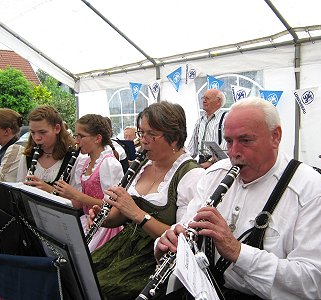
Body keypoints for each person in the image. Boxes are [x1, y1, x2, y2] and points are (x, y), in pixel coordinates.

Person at [156, 97, 321, 299]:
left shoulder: (310, 191)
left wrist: (238, 252)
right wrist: (169, 242)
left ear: (275, 137)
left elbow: (313, 283)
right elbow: (184, 226)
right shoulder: (214, 175)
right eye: (229, 141)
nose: (233, 153)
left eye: (245, 141)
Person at [88, 101, 205, 299]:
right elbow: (121, 216)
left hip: (155, 260)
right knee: (79, 274)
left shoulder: (192, 175)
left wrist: (137, 213)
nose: (143, 141)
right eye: (142, 133)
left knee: (101, 289)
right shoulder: (142, 164)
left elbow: (183, 242)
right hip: (124, 248)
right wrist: (105, 218)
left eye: (151, 134)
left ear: (174, 138)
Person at [53, 114, 124, 252]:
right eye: (76, 136)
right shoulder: (84, 162)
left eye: (81, 136)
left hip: (105, 227)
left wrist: (76, 195)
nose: (76, 141)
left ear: (98, 138)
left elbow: (113, 206)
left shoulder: (109, 164)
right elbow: (80, 204)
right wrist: (60, 195)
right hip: (87, 221)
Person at [16, 105, 76, 192]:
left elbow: (77, 200)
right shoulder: (28, 155)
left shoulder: (74, 158)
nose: (37, 138)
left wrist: (49, 189)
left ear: (57, 128)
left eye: (42, 132)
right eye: (32, 132)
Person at [187, 89, 227, 169]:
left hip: (219, 165)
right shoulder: (200, 121)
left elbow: (225, 149)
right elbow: (192, 148)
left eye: (207, 98)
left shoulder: (226, 119)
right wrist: (185, 162)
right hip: (201, 162)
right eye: (203, 98)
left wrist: (210, 162)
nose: (203, 101)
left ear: (218, 101)